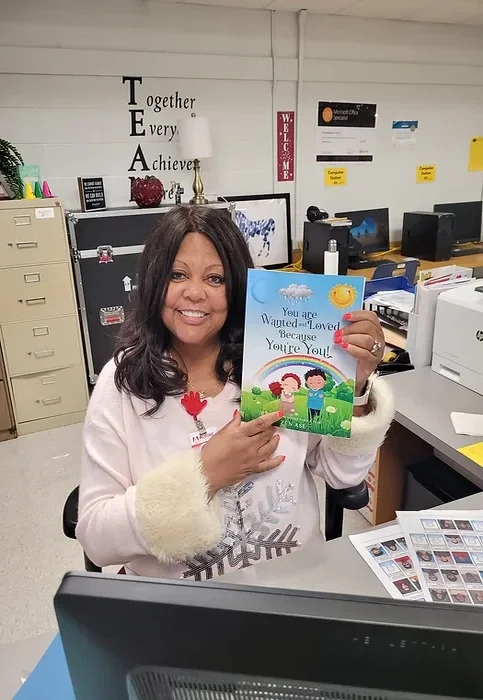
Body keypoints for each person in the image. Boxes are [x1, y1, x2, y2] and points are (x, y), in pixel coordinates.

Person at [76, 205, 394, 580]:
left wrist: (356, 387)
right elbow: (96, 539)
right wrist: (205, 474)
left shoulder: (274, 364)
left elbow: (342, 476)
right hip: (180, 605)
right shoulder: (123, 383)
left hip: (294, 587)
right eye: (177, 275)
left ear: (236, 288)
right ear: (153, 282)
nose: (195, 293)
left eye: (215, 278)